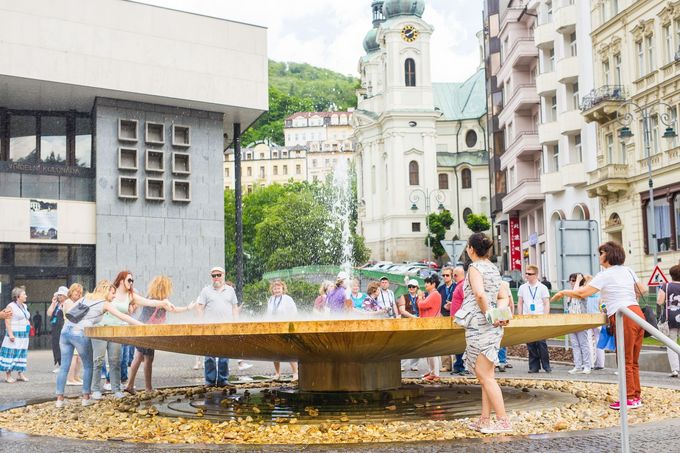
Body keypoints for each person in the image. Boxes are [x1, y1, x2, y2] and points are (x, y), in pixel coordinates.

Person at [551, 241, 647, 410]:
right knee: (633, 360)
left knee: (625, 360)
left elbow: (582, 293)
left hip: (624, 316)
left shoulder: (605, 274)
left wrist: (563, 292)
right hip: (637, 313)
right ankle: (635, 396)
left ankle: (629, 398)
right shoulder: (628, 270)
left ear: (609, 254)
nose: (599, 256)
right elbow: (643, 289)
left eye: (601, 252)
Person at [56, 280, 143, 408]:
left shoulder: (86, 298)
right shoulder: (104, 304)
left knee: (64, 367)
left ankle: (59, 400)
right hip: (79, 334)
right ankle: (86, 398)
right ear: (106, 291)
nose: (114, 296)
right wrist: (142, 325)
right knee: (88, 366)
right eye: (113, 293)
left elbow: (72, 313)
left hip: (65, 332)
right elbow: (122, 316)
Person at [91, 270, 172, 399]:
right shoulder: (111, 292)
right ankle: (95, 389)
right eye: (129, 280)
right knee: (98, 361)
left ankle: (116, 389)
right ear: (121, 280)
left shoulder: (131, 295)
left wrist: (163, 303)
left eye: (132, 280)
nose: (131, 282)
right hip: (101, 329)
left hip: (116, 331)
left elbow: (148, 302)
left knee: (116, 361)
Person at [461, 233, 512, 434]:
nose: (467, 250)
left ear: (472, 249)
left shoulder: (475, 268)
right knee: (486, 375)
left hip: (480, 324)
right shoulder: (493, 268)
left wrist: (489, 314)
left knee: (485, 376)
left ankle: (503, 421)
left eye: (467, 247)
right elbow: (502, 296)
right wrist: (498, 314)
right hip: (492, 324)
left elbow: (479, 294)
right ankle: (485, 419)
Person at [125, 276, 194, 394]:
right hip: (149, 332)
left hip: (141, 329)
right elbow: (174, 309)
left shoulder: (150, 298)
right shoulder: (161, 301)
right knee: (148, 359)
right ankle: (148, 388)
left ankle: (130, 385)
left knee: (138, 357)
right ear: (164, 287)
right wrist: (188, 308)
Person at [197, 266, 239, 386]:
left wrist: (236, 323)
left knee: (224, 354)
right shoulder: (205, 290)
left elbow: (234, 307)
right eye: (213, 275)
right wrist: (201, 323)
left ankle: (223, 380)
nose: (216, 278)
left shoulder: (230, 290)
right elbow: (200, 308)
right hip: (209, 326)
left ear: (223, 276)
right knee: (209, 355)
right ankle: (209, 380)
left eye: (218, 275)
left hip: (226, 326)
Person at [517, 265, 551, 373]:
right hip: (527, 317)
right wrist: (520, 316)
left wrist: (545, 317)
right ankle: (534, 366)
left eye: (529, 274)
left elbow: (546, 303)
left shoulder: (542, 288)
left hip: (539, 317)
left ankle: (546, 365)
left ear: (536, 275)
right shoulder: (523, 287)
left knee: (541, 343)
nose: (527, 275)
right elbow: (520, 302)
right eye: (526, 273)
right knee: (530, 343)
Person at [265, 279, 299, 381]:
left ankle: (295, 373)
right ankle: (277, 373)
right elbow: (268, 313)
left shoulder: (287, 299)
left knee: (289, 350)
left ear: (283, 288)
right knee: (275, 351)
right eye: (275, 288)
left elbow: (294, 312)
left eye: (278, 288)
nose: (277, 290)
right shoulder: (271, 299)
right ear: (272, 289)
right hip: (274, 327)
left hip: (286, 327)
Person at [0, 287, 31, 383]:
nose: (26, 296)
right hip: (14, 333)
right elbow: (7, 320)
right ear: (17, 296)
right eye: (24, 294)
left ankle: (20, 373)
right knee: (12, 353)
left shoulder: (24, 306)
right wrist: (10, 334)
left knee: (21, 352)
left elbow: (26, 318)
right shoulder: (11, 306)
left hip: (24, 334)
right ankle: (8, 375)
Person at [565, 273, 591, 375]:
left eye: (573, 280)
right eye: (570, 280)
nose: (571, 283)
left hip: (581, 321)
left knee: (583, 344)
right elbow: (571, 297)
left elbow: (577, 293)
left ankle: (587, 366)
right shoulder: (570, 293)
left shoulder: (582, 291)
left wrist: (580, 280)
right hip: (571, 321)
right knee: (575, 345)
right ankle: (577, 366)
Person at [657, 265, 680, 378]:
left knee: (672, 343)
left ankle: (675, 370)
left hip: (670, 318)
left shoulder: (666, 286)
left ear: (671, 275)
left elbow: (660, 301)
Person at [418, 275, 442, 382]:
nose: (425, 285)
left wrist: (419, 298)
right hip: (429, 323)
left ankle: (435, 374)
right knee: (429, 350)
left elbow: (422, 305)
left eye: (428, 283)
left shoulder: (435, 294)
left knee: (433, 350)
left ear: (433, 284)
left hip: (432, 324)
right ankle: (432, 371)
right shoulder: (431, 294)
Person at [398, 279, 421, 372]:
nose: (411, 288)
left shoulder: (420, 297)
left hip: (418, 321)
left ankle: (414, 364)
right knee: (405, 343)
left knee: (417, 343)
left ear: (417, 288)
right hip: (407, 322)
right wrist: (413, 317)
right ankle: (402, 364)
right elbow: (402, 310)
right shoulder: (404, 297)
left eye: (413, 286)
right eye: (409, 286)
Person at [584, 274, 605, 370]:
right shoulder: (600, 296)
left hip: (588, 319)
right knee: (599, 341)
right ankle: (600, 363)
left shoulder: (586, 297)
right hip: (598, 320)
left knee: (588, 341)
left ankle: (590, 363)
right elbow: (603, 308)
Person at [438, 267, 456, 373]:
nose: (445, 277)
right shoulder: (440, 288)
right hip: (443, 316)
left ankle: (456, 364)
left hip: (454, 316)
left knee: (455, 341)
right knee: (444, 341)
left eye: (447, 275)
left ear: (452, 276)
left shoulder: (456, 287)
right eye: (443, 275)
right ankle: (445, 364)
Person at [47, 286, 69, 373]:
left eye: (61, 295)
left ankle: (64, 365)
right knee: (55, 345)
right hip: (55, 327)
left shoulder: (67, 303)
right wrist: (53, 303)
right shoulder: (57, 305)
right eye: (58, 295)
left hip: (62, 327)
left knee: (62, 345)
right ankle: (59, 363)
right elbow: (49, 313)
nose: (59, 297)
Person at [496, 280, 515, 372]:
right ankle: (499, 361)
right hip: (496, 310)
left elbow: (510, 300)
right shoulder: (504, 284)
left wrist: (511, 313)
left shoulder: (504, 284)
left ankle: (502, 361)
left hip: (501, 311)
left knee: (500, 337)